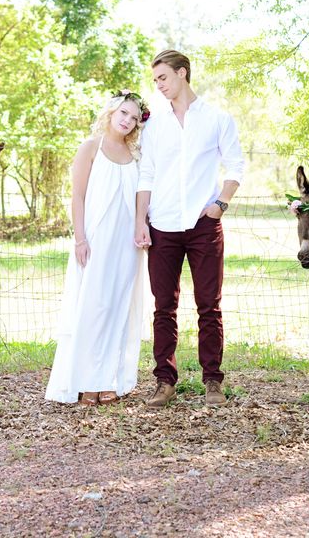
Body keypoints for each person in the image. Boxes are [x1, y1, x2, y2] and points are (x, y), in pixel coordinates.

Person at [134, 49, 245, 408]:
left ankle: (213, 381)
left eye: (163, 77)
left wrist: (220, 205)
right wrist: (141, 221)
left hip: (203, 225)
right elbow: (146, 173)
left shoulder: (216, 119)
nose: (159, 85)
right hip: (162, 225)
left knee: (208, 306)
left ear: (183, 74)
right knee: (163, 307)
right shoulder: (153, 125)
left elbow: (236, 166)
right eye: (155, 81)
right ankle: (165, 382)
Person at [45, 90, 150, 405]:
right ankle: (85, 380)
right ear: (111, 111)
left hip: (126, 245)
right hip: (95, 241)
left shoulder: (137, 157)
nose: (127, 121)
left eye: (133, 118)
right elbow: (77, 197)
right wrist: (80, 238)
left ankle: (109, 380)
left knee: (119, 308)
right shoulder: (90, 148)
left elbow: (139, 200)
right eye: (123, 113)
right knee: (92, 308)